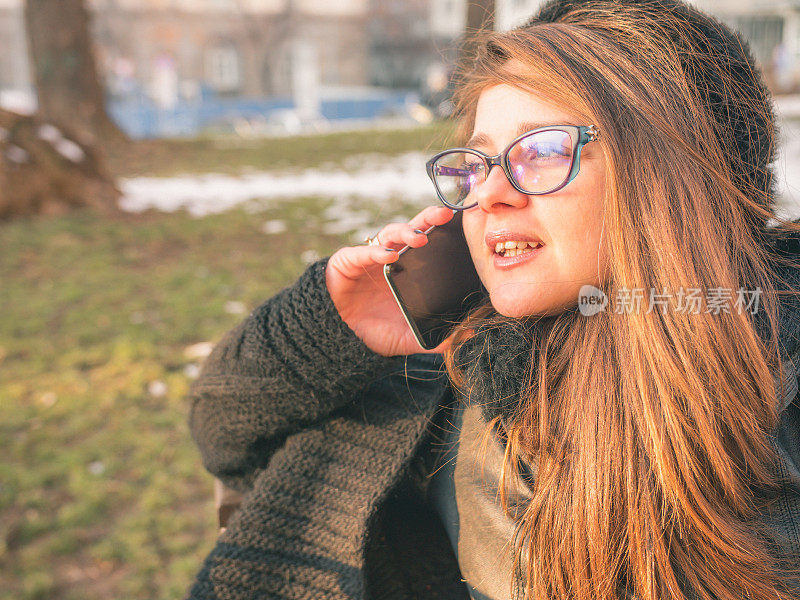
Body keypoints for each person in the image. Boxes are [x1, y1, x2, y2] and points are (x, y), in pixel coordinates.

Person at [184, 1, 800, 599]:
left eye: (544, 150)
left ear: (678, 172)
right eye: (478, 162)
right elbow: (228, 436)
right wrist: (329, 328)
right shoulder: (450, 368)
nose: (489, 194)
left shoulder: (775, 388)